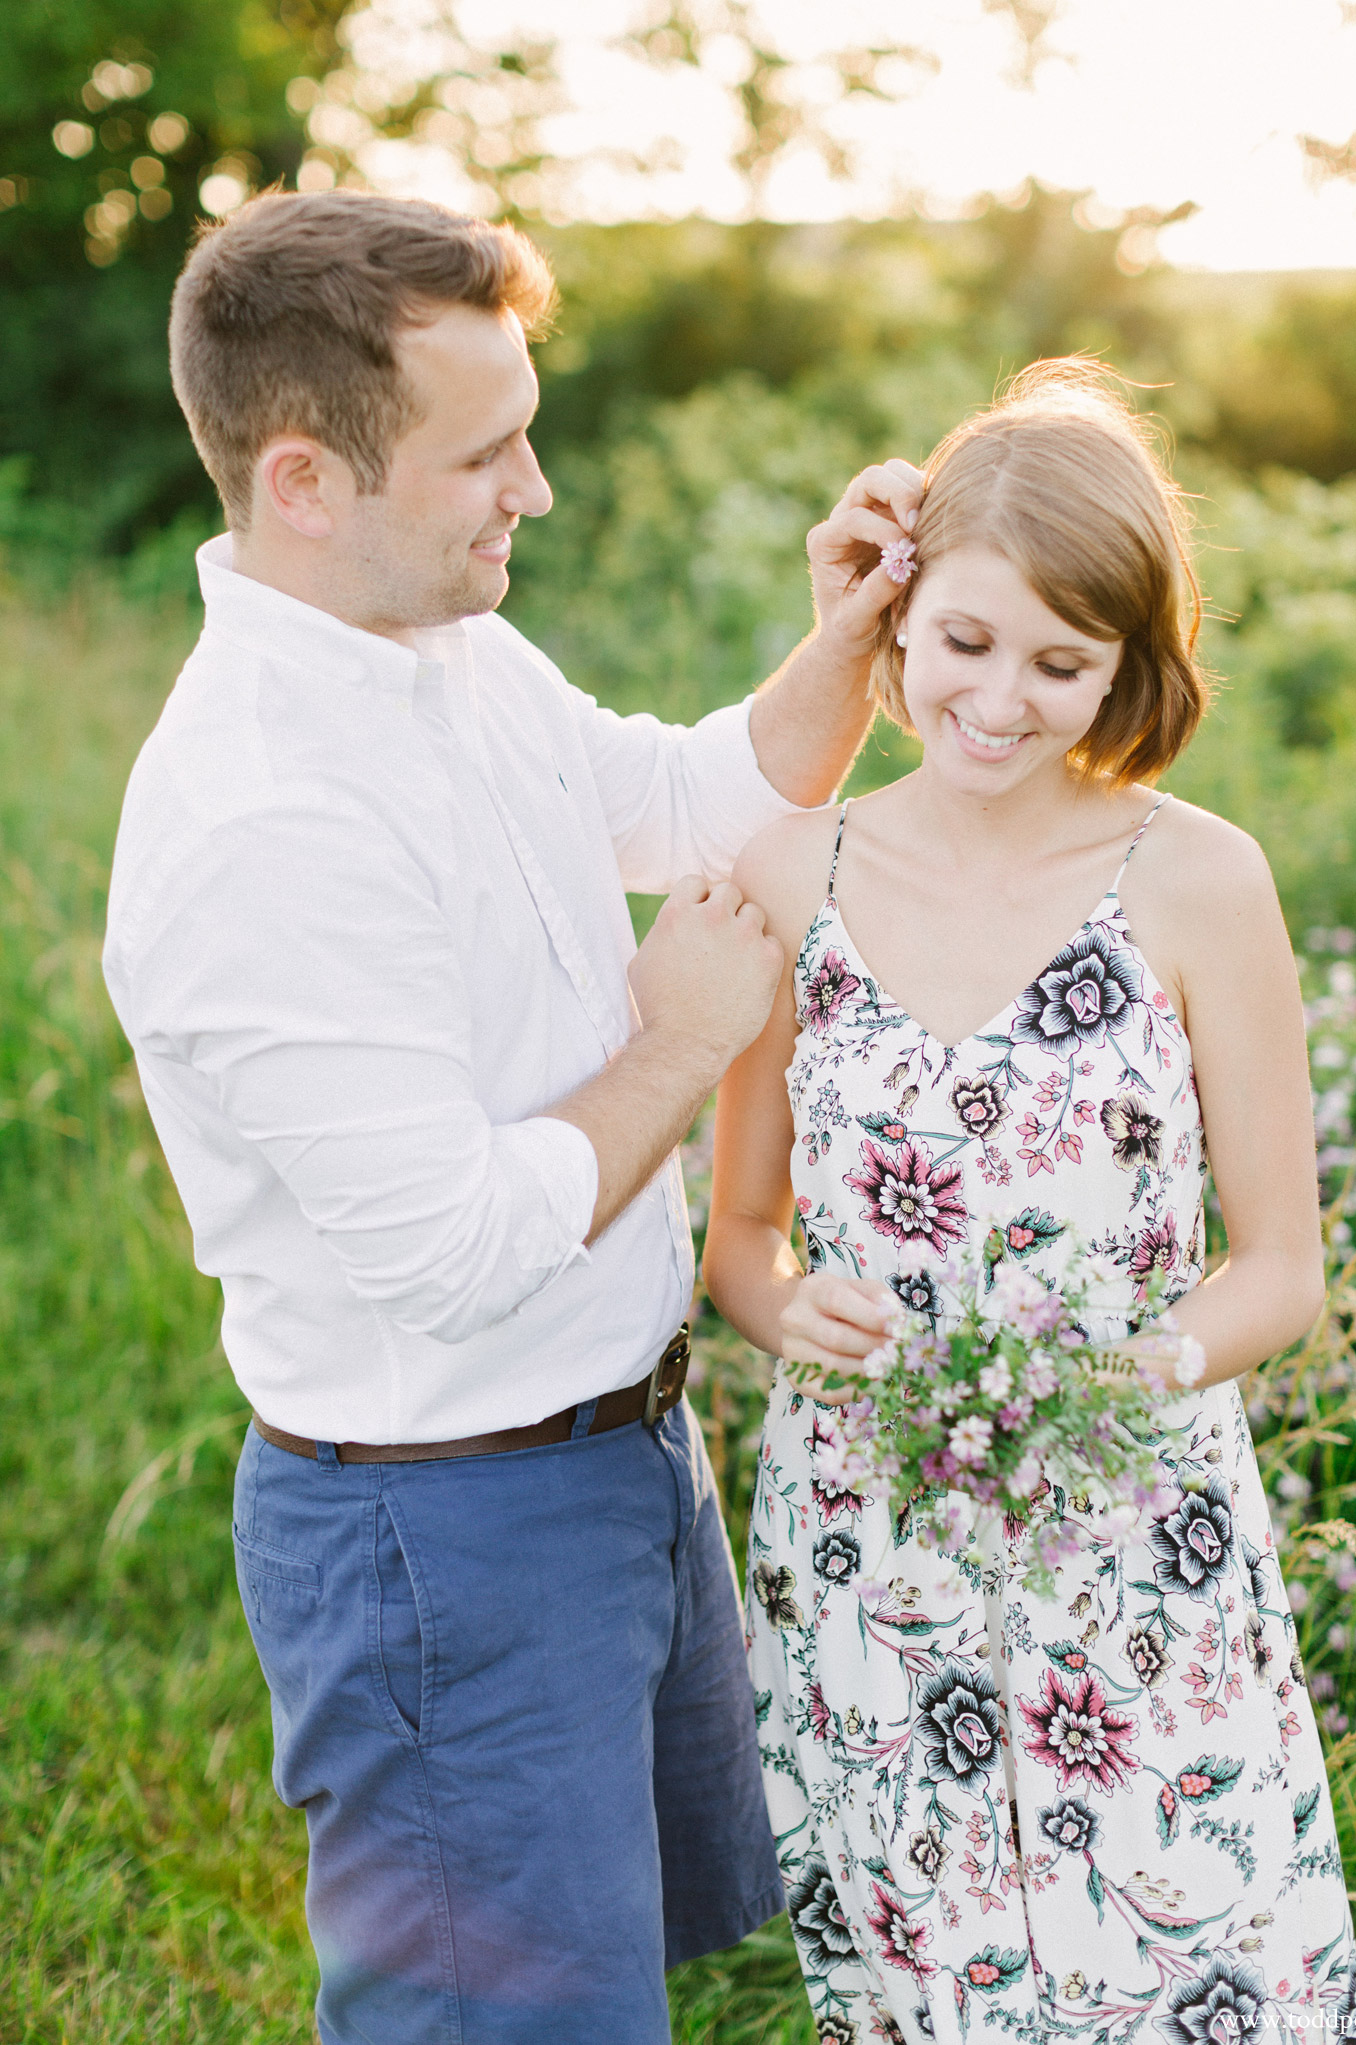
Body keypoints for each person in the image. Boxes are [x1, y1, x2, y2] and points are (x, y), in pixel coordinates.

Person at [101, 189, 922, 2045]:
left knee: (592, 1993)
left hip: (616, 1464)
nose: (532, 491)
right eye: (487, 454)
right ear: (303, 480)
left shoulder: (454, 654)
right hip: (441, 1537)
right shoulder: (259, 822)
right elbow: (459, 1255)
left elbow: (687, 798)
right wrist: (688, 1035)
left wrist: (855, 643)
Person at [705, 360, 1356, 2045]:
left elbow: (1282, 1262)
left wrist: (1136, 1374)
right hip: (867, 1543)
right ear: (898, 619)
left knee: (1196, 1976)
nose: (1000, 701)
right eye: (967, 645)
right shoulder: (797, 875)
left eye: (1063, 664)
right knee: (931, 1984)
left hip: (1137, 1543)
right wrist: (790, 1308)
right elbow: (741, 1241)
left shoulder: (1203, 880)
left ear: (1132, 667)